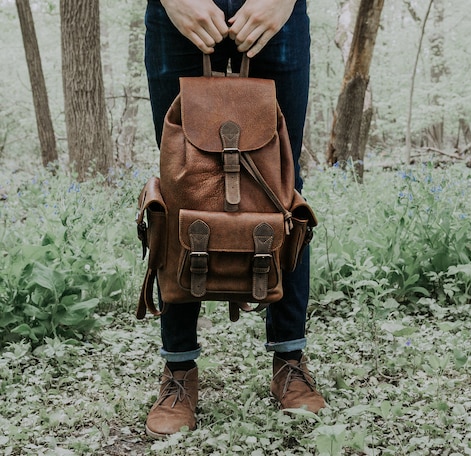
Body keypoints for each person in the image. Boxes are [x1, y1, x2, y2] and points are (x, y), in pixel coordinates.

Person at [143, 0, 325, 438]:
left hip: (275, 12)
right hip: (178, 11)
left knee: (283, 183)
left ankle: (290, 361)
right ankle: (179, 371)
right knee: (178, 184)